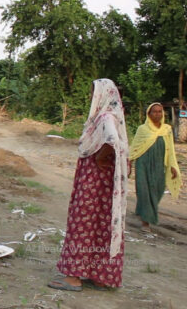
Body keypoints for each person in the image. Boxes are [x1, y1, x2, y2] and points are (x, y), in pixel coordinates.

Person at [49, 78, 129, 292]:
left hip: (93, 182)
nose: (91, 96)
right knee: (102, 226)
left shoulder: (104, 117)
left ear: (103, 95)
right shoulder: (115, 117)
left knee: (82, 224)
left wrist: (102, 156)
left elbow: (112, 140)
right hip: (104, 186)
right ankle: (100, 276)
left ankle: (74, 276)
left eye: (94, 92)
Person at [130, 102, 182, 233]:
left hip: (159, 165)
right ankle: (145, 222)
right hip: (143, 164)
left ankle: (143, 211)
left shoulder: (167, 130)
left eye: (160, 111)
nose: (157, 114)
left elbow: (170, 149)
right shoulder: (142, 129)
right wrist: (129, 163)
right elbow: (134, 148)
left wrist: (172, 166)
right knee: (144, 191)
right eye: (154, 111)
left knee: (157, 190)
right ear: (149, 114)